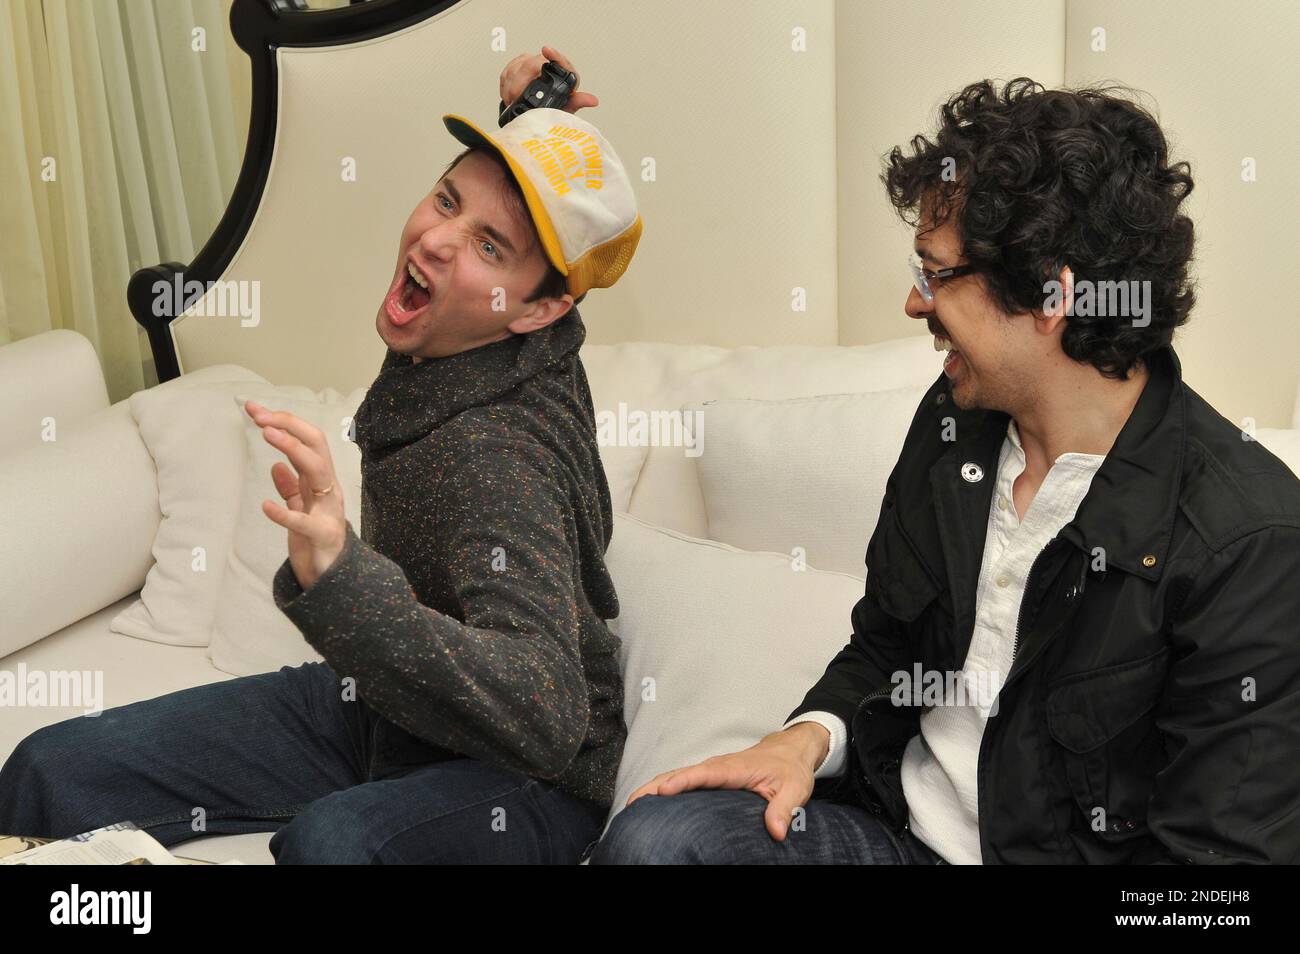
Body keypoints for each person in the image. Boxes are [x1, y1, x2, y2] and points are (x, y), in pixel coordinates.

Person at [590, 77, 1300, 865]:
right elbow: (886, 644)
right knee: (661, 842)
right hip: (898, 840)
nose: (912, 302)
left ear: (1051, 295)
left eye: (935, 273)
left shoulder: (1249, 542)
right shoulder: (957, 418)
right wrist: (803, 740)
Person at [0, 47, 643, 864]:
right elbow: (521, 242)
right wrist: (530, 129)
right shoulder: (488, 332)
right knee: (53, 772)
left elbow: (546, 714)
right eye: (446, 200)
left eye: (488, 247)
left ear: (540, 310)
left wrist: (340, 574)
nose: (439, 240)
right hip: (394, 709)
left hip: (522, 778)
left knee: (333, 848)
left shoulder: (498, 461)